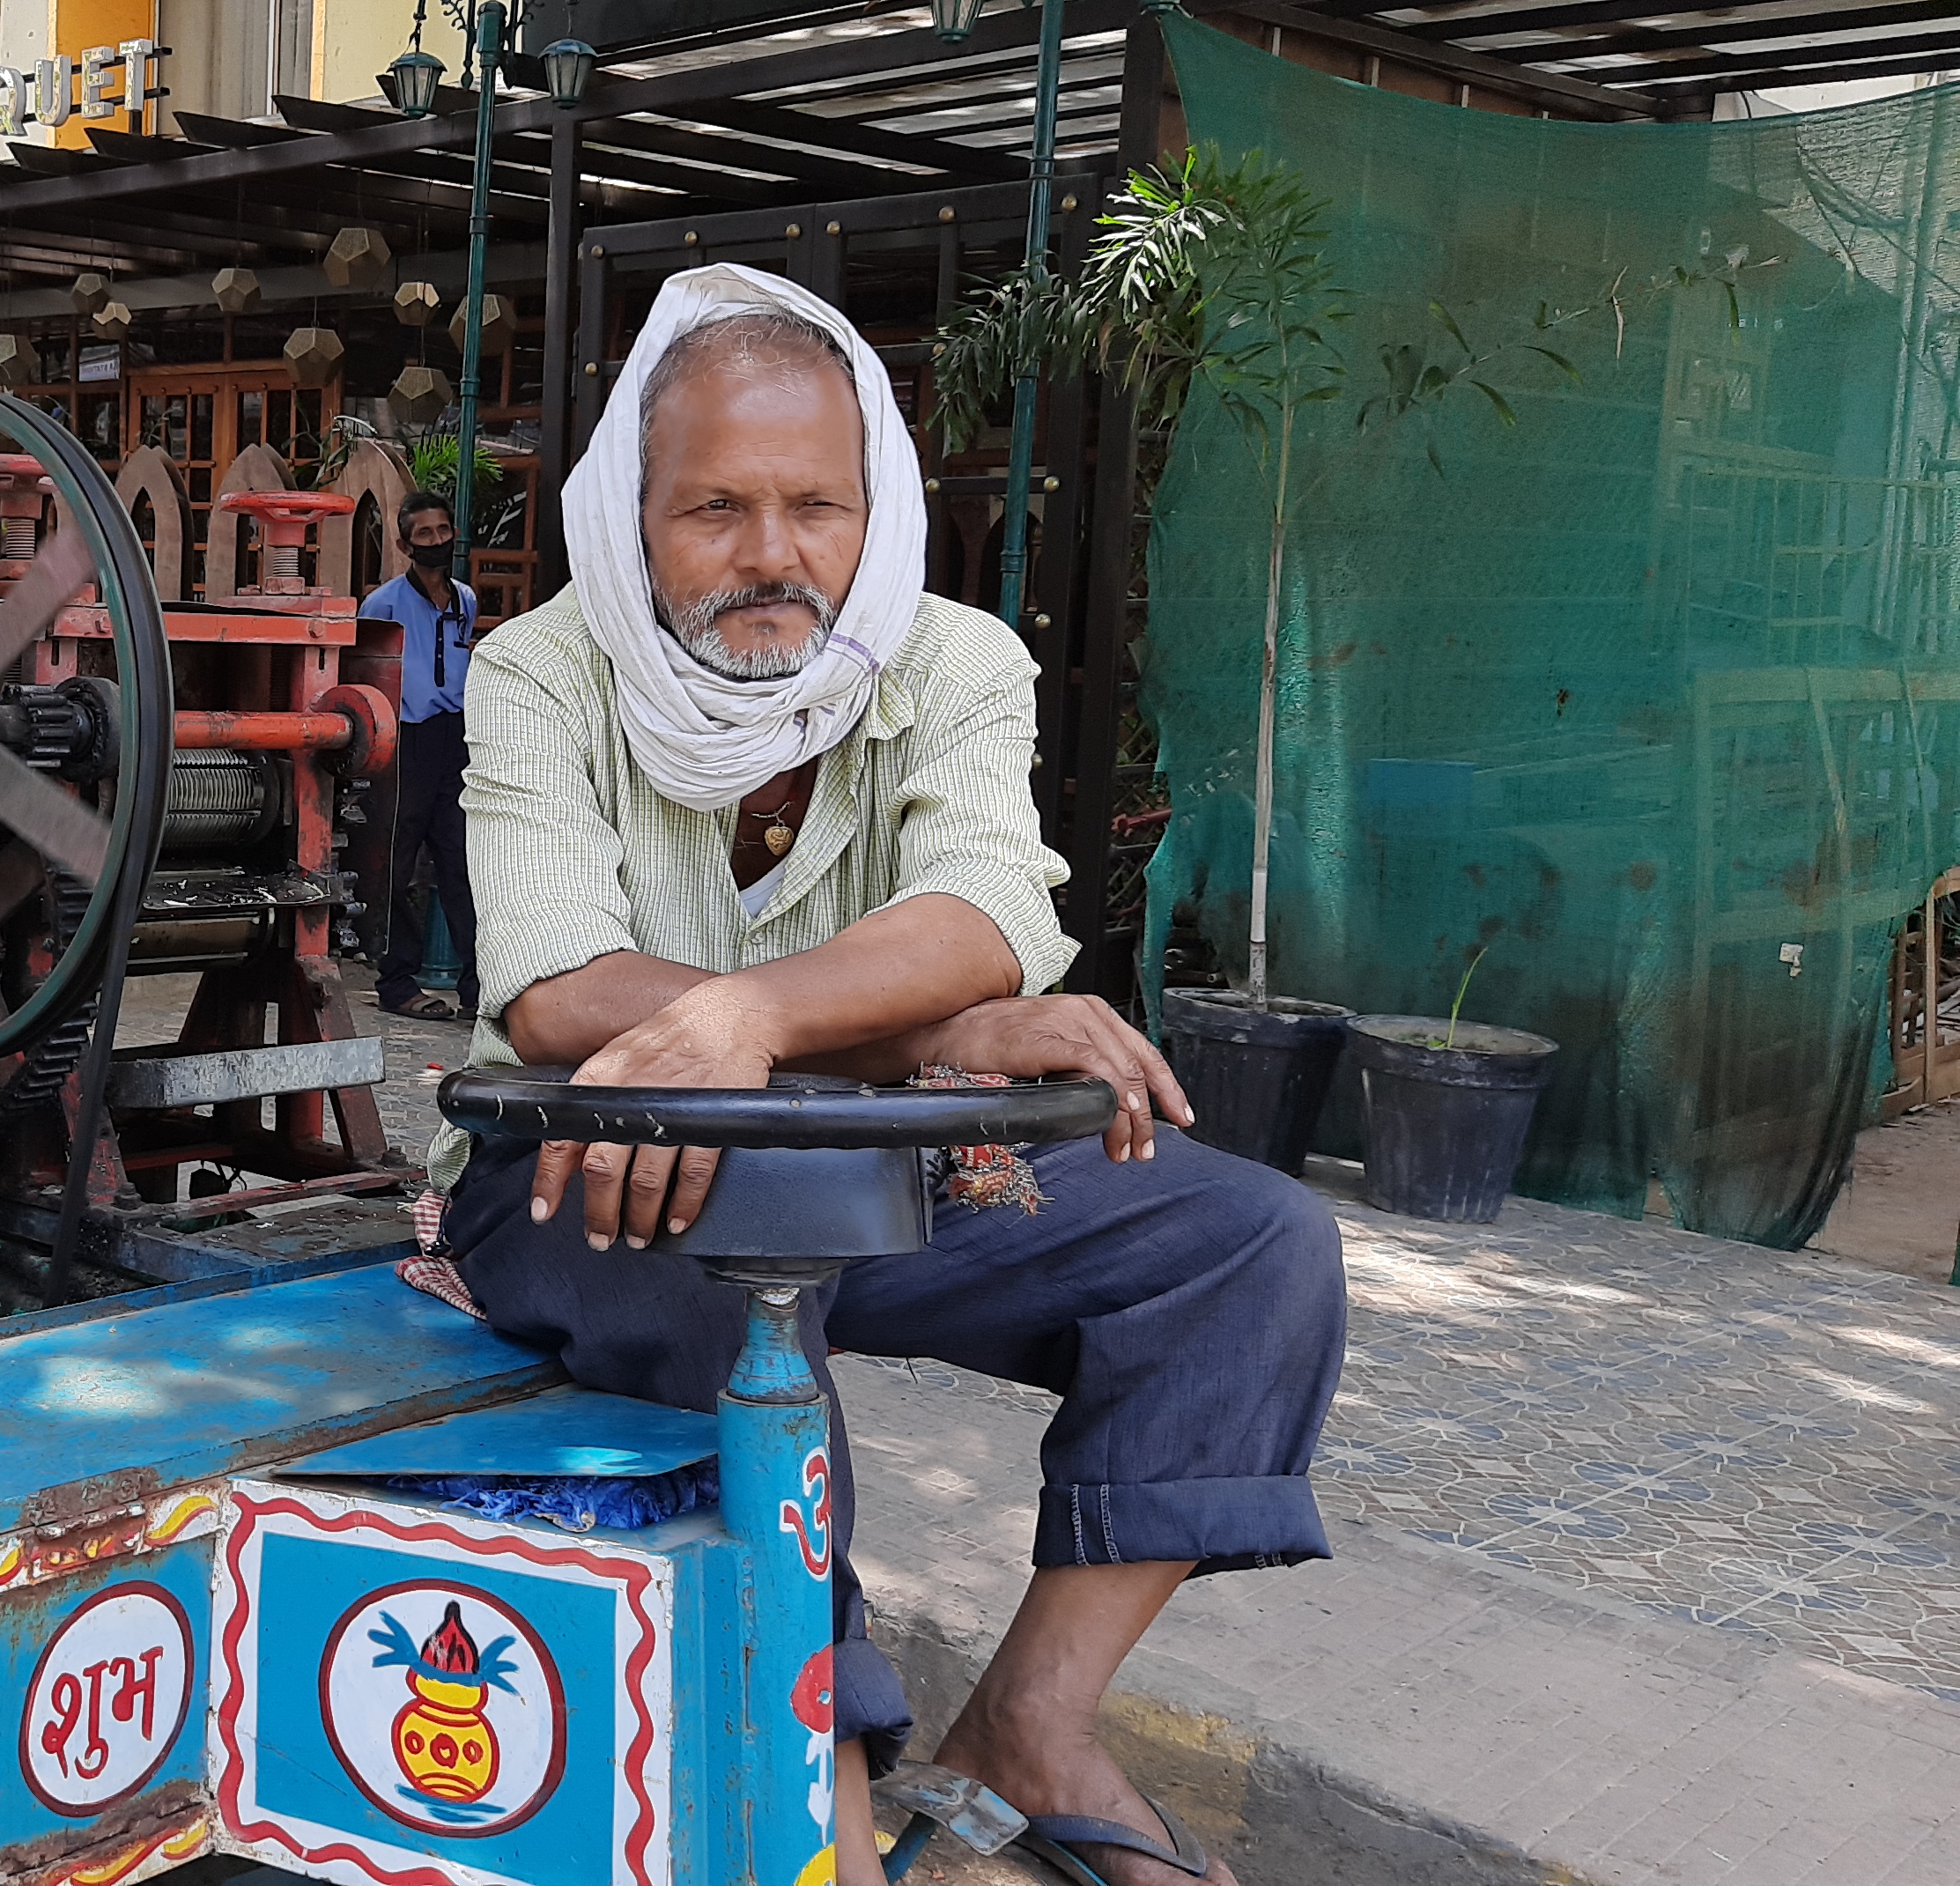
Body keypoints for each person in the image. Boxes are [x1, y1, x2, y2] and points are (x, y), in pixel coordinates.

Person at [421, 263, 1346, 1886]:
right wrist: (909, 1027)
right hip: (595, 1167)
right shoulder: (539, 671)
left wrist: (761, 1021)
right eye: (713, 506)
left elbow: (985, 912)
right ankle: (822, 1766)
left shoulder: (956, 661)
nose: (772, 555)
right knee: (731, 1317)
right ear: (632, 513)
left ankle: (1035, 1723)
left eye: (814, 506)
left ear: (880, 506)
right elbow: (561, 988)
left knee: (1252, 1251)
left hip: (889, 1162)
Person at [359, 491, 482, 1022]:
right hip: (403, 739)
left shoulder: (465, 599)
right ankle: (397, 982)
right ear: (404, 543)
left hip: (454, 738)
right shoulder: (383, 603)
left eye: (442, 530)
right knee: (396, 861)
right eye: (424, 534)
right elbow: (363, 672)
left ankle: (482, 987)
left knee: (464, 863)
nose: (436, 541)